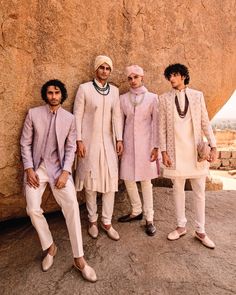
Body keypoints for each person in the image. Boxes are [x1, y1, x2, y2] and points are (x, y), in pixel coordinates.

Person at [20, 79, 97, 282]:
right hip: (37, 170)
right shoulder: (33, 114)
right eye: (50, 93)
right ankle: (50, 247)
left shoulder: (69, 119)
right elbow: (25, 143)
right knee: (32, 209)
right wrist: (29, 169)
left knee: (71, 205)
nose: (53, 96)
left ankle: (79, 258)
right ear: (45, 95)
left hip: (58, 170)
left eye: (56, 93)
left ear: (62, 95)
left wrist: (65, 173)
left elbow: (71, 148)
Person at [159, 63, 217, 248]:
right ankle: (181, 226)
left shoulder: (197, 96)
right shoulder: (164, 99)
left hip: (195, 152)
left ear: (183, 76)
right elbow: (160, 128)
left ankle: (200, 231)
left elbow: (205, 122)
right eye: (169, 76)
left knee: (199, 191)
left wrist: (213, 145)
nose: (172, 79)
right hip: (175, 152)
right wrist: (163, 151)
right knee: (178, 189)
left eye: (175, 75)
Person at [73, 55, 123, 241]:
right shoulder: (84, 89)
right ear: (96, 69)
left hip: (109, 142)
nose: (104, 71)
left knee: (110, 182)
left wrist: (119, 139)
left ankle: (107, 222)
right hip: (89, 142)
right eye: (101, 67)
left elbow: (117, 116)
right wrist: (79, 140)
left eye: (107, 68)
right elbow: (77, 116)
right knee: (91, 183)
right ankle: (92, 220)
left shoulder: (115, 91)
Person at [118, 65, 159, 236]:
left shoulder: (152, 98)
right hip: (127, 144)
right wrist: (119, 140)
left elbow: (156, 123)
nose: (133, 81)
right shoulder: (123, 99)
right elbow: (119, 121)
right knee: (128, 178)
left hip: (146, 145)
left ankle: (149, 218)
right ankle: (136, 210)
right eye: (130, 78)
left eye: (136, 77)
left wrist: (156, 146)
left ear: (142, 77)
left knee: (146, 181)